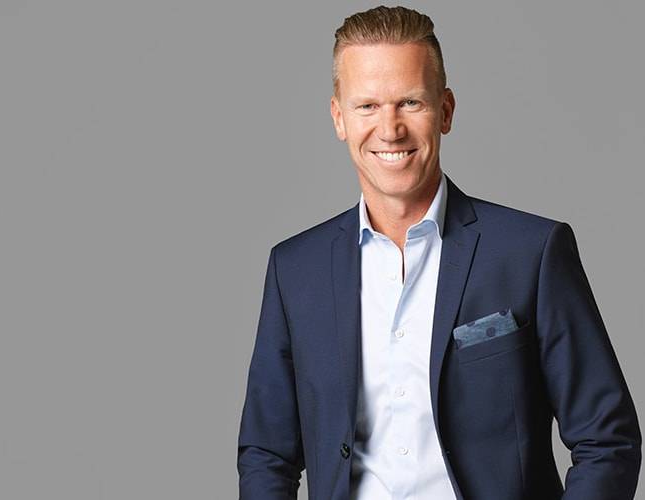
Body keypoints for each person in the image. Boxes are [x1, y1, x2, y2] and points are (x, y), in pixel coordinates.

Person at [237, 5, 641, 500]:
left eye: (410, 102)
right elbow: (266, 454)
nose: (390, 128)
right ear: (339, 118)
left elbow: (608, 440)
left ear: (445, 111)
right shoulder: (295, 270)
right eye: (367, 106)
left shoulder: (530, 253)